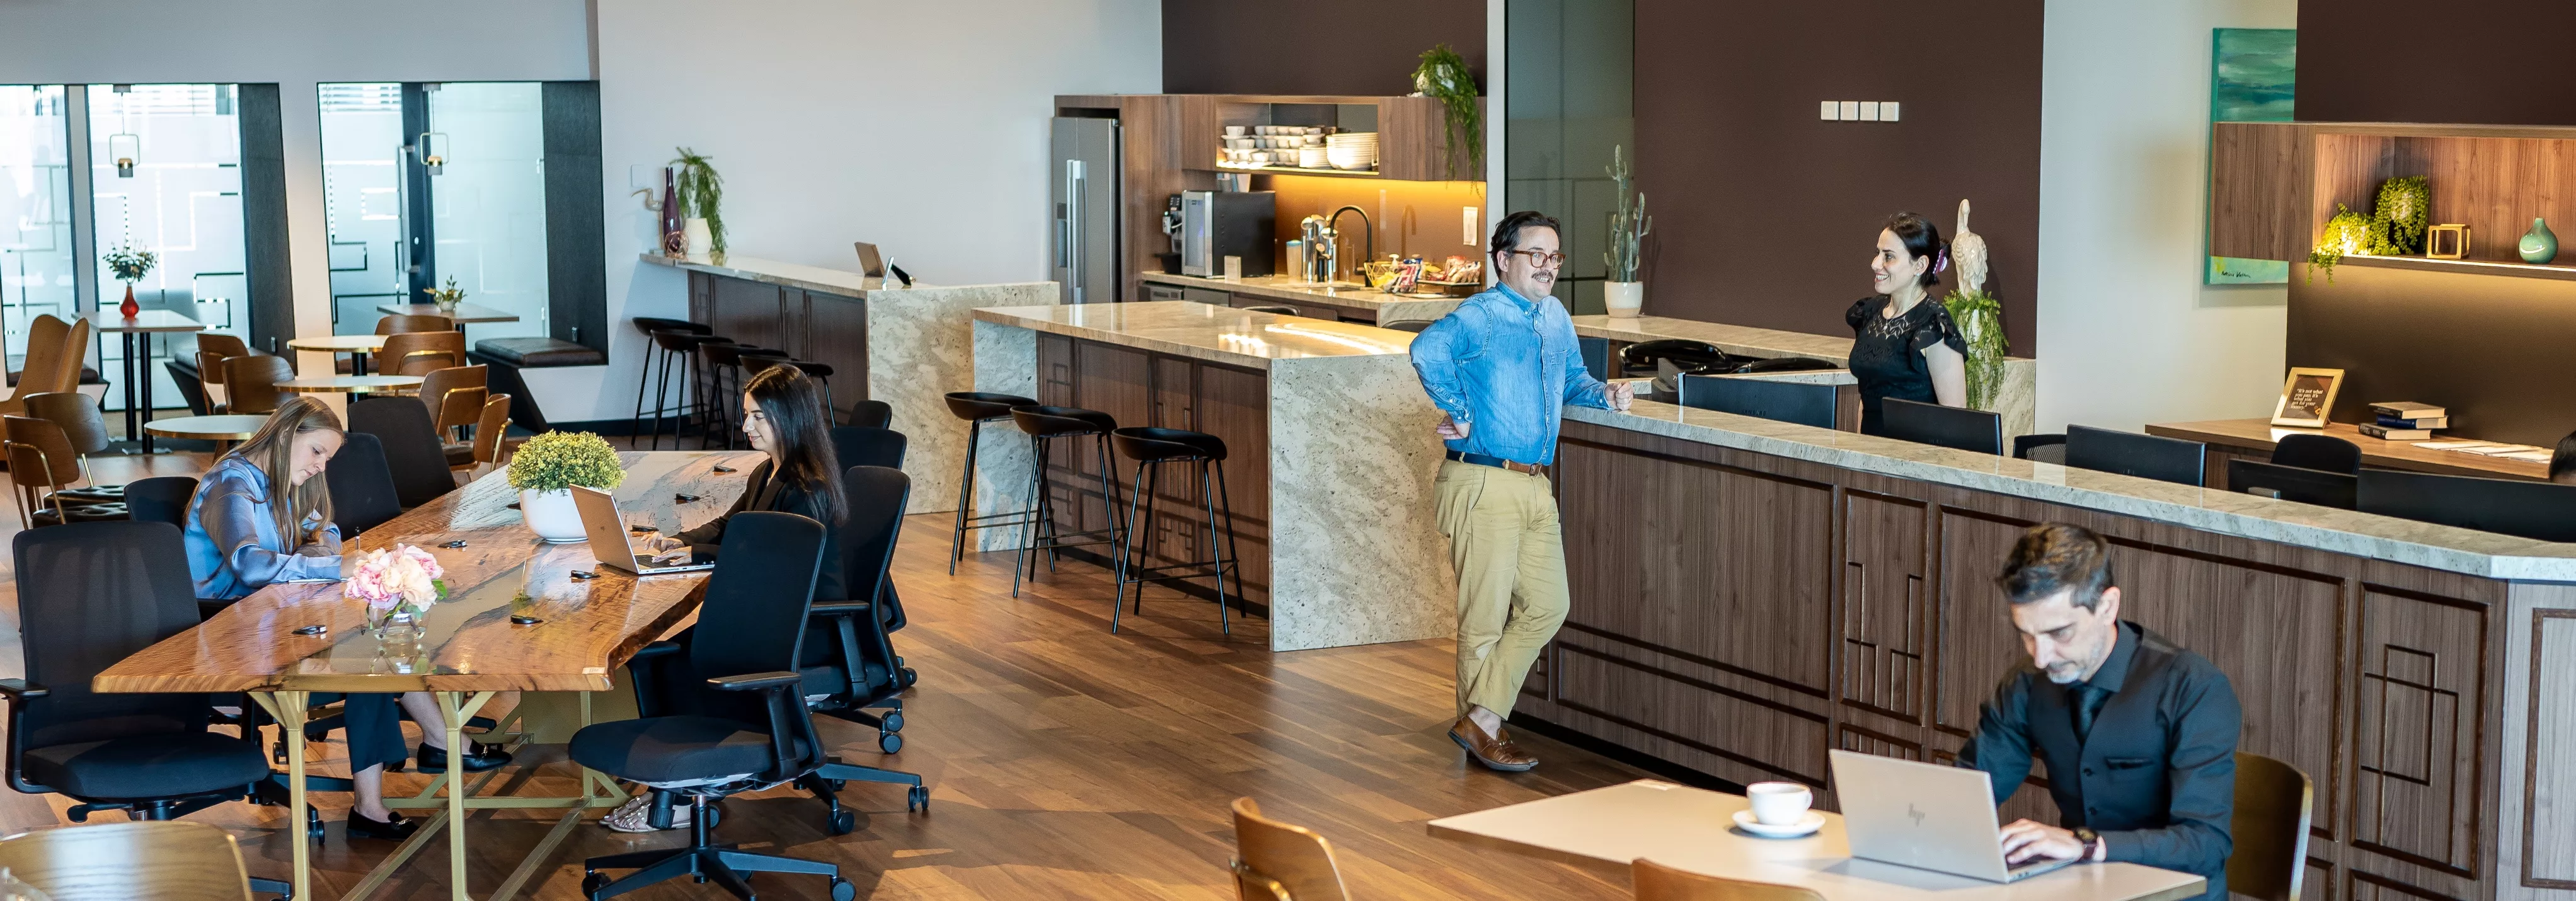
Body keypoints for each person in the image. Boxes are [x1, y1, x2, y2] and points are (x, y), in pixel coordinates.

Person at [183, 397, 509, 842]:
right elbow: (249, 564)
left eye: (327, 458)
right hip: (233, 637)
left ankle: (432, 750)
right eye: (316, 451)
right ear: (285, 434)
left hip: (280, 622)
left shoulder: (286, 478)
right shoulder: (231, 482)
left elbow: (325, 530)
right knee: (367, 659)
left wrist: (319, 556)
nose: (321, 466)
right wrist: (329, 567)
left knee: (381, 639)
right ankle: (427, 756)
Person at [1408, 210, 1634, 772]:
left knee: (1549, 605)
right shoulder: (1481, 315)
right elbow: (1426, 351)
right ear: (1504, 259)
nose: (1548, 267)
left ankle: (1480, 720)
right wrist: (1459, 410)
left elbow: (1572, 381)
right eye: (1536, 254)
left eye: (1555, 256)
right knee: (1483, 619)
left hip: (1534, 483)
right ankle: (1483, 734)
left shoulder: (1555, 317)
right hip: (1483, 479)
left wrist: (1605, 395)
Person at [605, 364, 848, 832]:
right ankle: (673, 787)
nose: (745, 428)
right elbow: (732, 529)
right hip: (772, 609)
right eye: (746, 416)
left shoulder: (805, 488)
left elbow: (760, 557)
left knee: (678, 658)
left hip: (804, 627)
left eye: (758, 418)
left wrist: (696, 552)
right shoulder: (769, 471)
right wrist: (677, 541)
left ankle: (684, 789)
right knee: (658, 654)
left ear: (790, 418)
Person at [1957, 523, 2240, 900]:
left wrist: (2088, 845)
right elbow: (1970, 792)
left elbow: (2206, 844)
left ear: (2107, 606)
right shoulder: (2026, 683)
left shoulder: (2193, 687)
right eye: (2027, 634)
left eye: (2060, 634)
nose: (2040, 657)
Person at [1848, 212, 1969, 435]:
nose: (1876, 264)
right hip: (1869, 457)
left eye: (1889, 256)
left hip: (1913, 460)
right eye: (1878, 253)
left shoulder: (1933, 325)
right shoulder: (1871, 312)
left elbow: (1955, 418)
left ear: (1920, 265)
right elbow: (1867, 397)